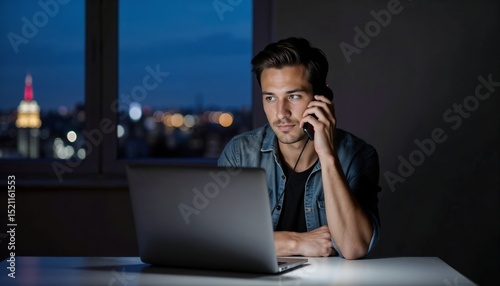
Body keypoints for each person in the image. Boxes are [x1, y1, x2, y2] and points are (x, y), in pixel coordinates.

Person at [217, 37, 381, 260]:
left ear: (321, 98)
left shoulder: (358, 155)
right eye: (270, 98)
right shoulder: (240, 153)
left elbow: (354, 247)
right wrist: (295, 242)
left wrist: (328, 156)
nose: (281, 112)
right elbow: (220, 240)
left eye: (293, 96)